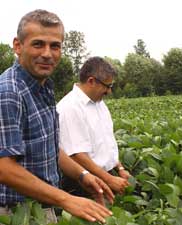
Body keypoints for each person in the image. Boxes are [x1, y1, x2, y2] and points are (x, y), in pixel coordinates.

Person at [0, 9, 114, 224]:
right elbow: (4, 168)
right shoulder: (8, 92)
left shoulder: (43, 88)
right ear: (18, 46)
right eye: (38, 44)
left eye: (55, 46)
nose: (47, 53)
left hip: (43, 205)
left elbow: (49, 147)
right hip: (15, 214)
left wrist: (83, 175)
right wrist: (66, 199)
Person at [57, 57, 131, 197]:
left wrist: (120, 168)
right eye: (107, 86)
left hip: (105, 176)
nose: (109, 91)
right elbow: (76, 155)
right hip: (85, 183)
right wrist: (108, 179)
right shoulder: (70, 107)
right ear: (91, 81)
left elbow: (107, 142)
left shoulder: (99, 103)